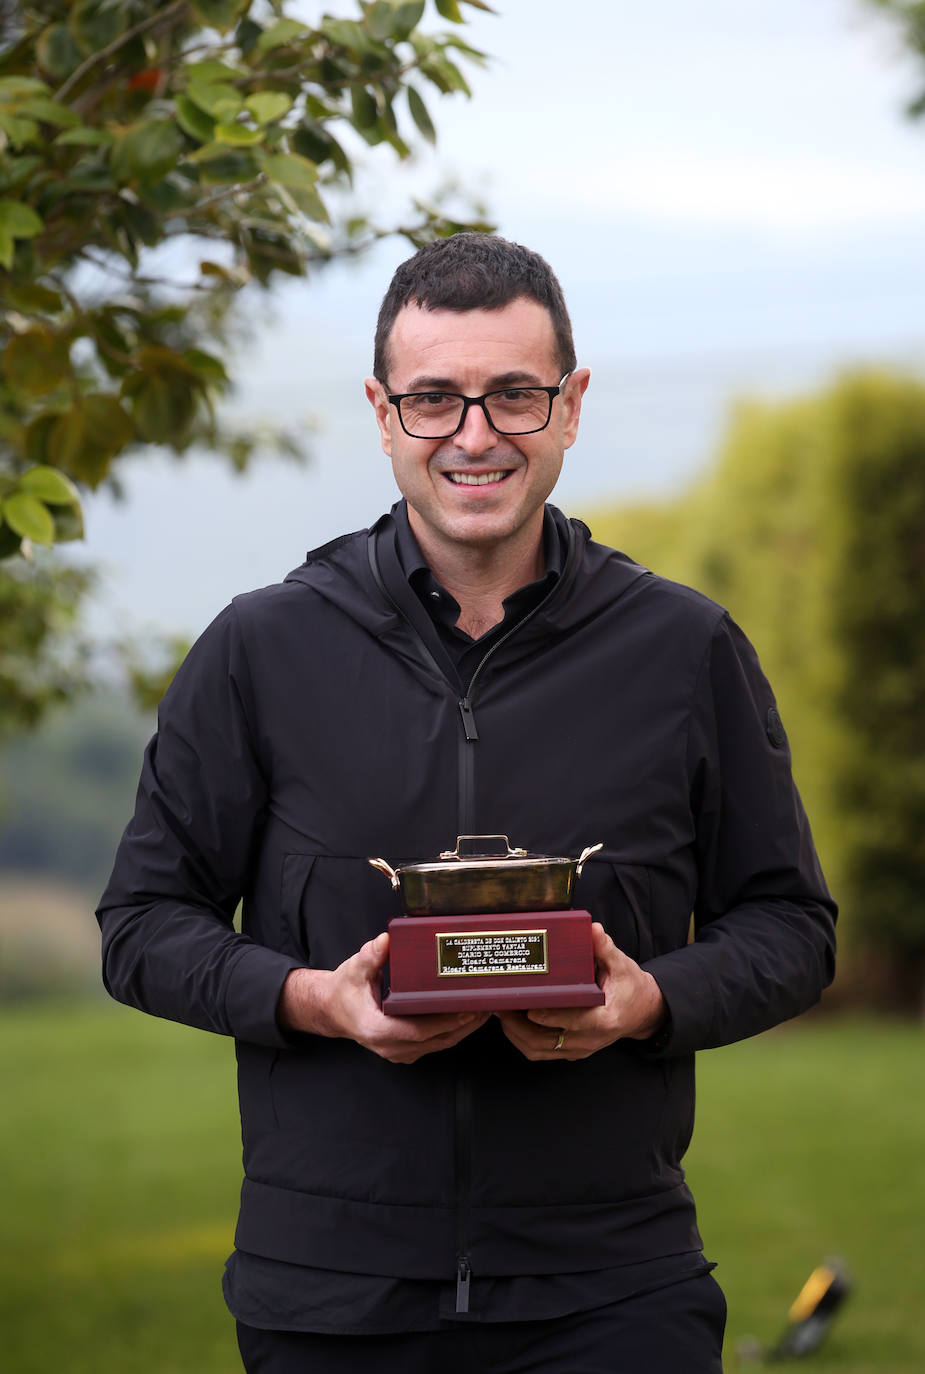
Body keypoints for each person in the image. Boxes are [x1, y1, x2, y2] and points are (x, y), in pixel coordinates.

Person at [97, 233, 836, 1374]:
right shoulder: (261, 647)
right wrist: (312, 999)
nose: (474, 435)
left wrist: (649, 1001)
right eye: (434, 399)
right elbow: (141, 925)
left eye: (514, 395)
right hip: (327, 1297)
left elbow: (791, 927)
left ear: (572, 405)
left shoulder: (684, 650)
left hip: (612, 1291)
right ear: (383, 413)